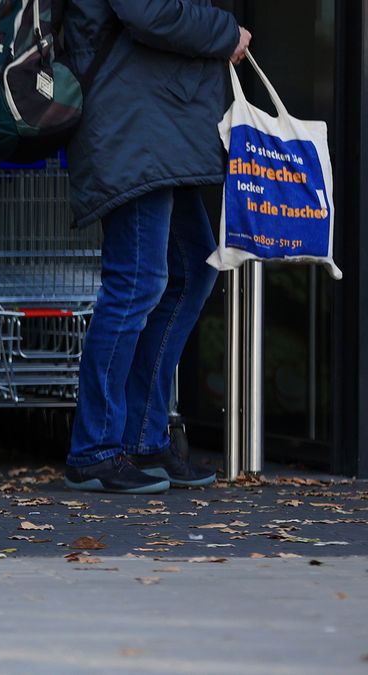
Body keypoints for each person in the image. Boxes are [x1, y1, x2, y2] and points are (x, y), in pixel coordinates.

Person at [61, 0, 252, 494]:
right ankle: (95, 449)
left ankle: (143, 437)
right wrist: (225, 31)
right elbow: (146, 11)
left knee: (192, 271)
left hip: (159, 123)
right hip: (135, 125)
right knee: (136, 282)